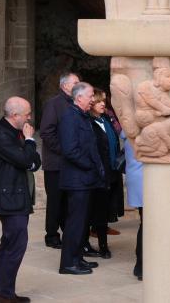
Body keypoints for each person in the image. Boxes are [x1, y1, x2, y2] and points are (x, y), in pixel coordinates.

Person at [0, 97, 41, 303]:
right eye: (27, 113)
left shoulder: (13, 132)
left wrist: (28, 151)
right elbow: (26, 159)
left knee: (11, 244)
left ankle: (4, 293)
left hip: (16, 195)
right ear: (14, 115)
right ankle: (3, 295)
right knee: (15, 245)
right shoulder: (1, 136)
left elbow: (34, 163)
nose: (29, 117)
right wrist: (30, 141)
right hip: (9, 198)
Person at [58, 82, 106, 275]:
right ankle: (68, 263)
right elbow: (71, 150)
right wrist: (90, 166)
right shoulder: (70, 117)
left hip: (85, 180)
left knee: (82, 222)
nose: (93, 99)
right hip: (78, 180)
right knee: (75, 223)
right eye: (90, 96)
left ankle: (77, 258)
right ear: (78, 98)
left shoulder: (81, 116)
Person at [39, 72, 79, 249]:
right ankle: (52, 235)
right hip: (56, 163)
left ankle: (67, 232)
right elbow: (46, 132)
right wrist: (65, 151)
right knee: (55, 200)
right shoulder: (54, 104)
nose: (79, 84)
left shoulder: (74, 103)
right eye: (75, 82)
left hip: (70, 162)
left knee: (67, 201)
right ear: (64, 86)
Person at [86, 89, 121, 259]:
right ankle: (101, 246)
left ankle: (102, 242)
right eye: (99, 101)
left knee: (106, 209)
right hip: (98, 174)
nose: (103, 104)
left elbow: (114, 142)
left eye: (104, 101)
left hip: (111, 171)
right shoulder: (88, 123)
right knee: (98, 211)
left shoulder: (106, 119)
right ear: (91, 104)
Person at [123, 135, 143, 281]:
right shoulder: (138, 132)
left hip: (138, 178)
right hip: (144, 180)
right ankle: (141, 265)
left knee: (146, 224)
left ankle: (141, 264)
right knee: (148, 225)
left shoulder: (130, 131)